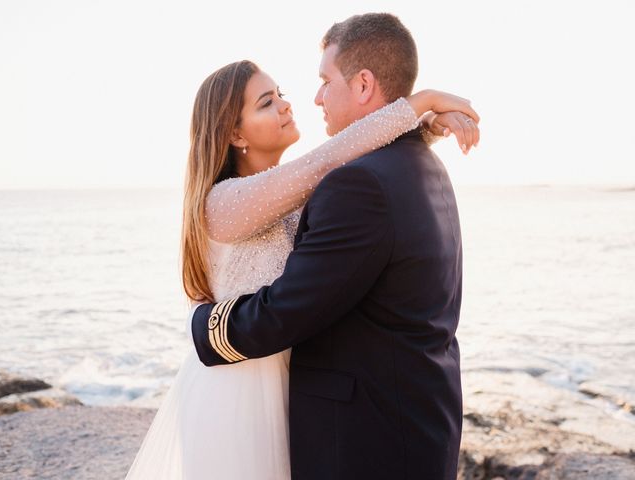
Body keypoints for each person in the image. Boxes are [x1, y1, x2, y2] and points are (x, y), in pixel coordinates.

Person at [126, 16, 478, 480]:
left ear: (364, 83)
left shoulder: (325, 187)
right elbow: (330, 158)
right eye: (267, 103)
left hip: (294, 387)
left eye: (283, 94)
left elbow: (346, 162)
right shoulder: (226, 200)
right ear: (235, 134)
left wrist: (425, 124)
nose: (295, 105)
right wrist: (420, 106)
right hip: (243, 389)